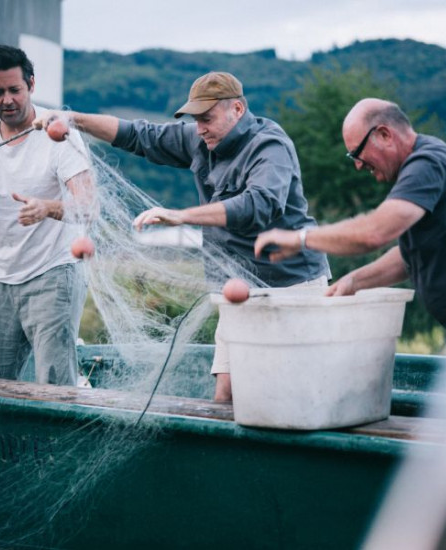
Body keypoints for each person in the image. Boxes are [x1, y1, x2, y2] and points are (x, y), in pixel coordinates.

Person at [37, 72, 330, 401]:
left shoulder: (270, 146)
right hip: (238, 291)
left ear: (237, 109)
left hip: (292, 287)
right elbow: (138, 135)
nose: (199, 128)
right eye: (195, 120)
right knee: (226, 395)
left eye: (207, 118)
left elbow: (258, 205)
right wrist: (72, 119)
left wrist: (183, 216)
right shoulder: (200, 140)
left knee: (294, 396)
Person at [255, 98, 446, 334]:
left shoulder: (428, 164)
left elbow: (374, 233)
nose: (358, 165)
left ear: (384, 135)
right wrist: (354, 281)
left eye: (357, 153)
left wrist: (301, 239)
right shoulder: (424, 166)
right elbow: (409, 257)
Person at [0, 44, 95, 386]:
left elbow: (89, 207)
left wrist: (47, 208)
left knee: (54, 386)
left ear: (31, 85)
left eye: (15, 90)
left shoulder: (58, 133)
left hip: (54, 273)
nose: (7, 100)